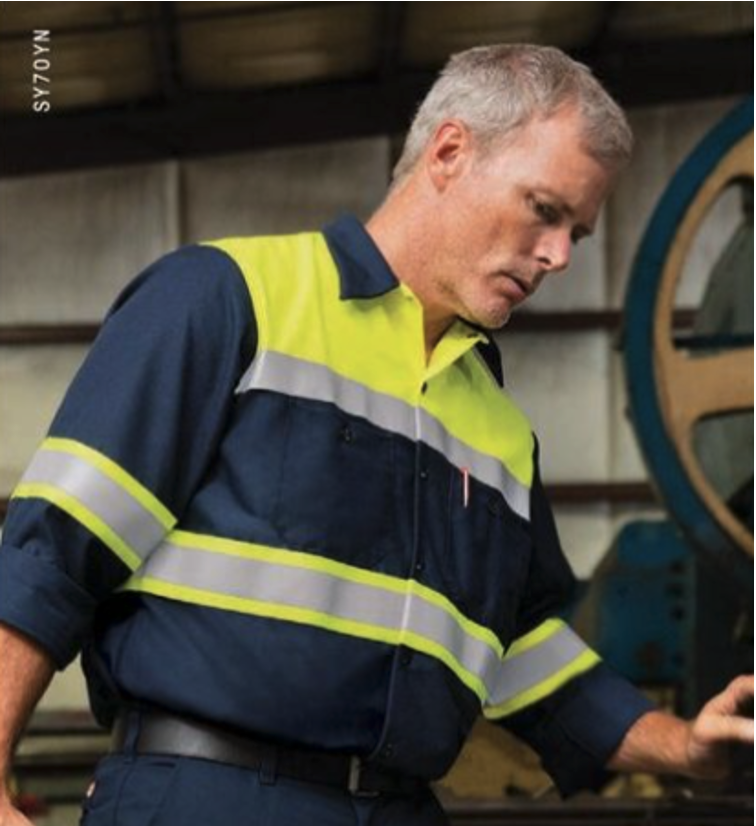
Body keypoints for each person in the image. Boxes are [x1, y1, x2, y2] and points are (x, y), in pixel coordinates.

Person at [0, 44, 752, 826]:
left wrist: (682, 743)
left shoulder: (499, 429)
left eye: (578, 234)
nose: (559, 256)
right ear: (450, 152)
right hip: (201, 796)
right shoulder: (228, 301)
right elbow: (52, 550)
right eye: (545, 210)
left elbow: (525, 649)